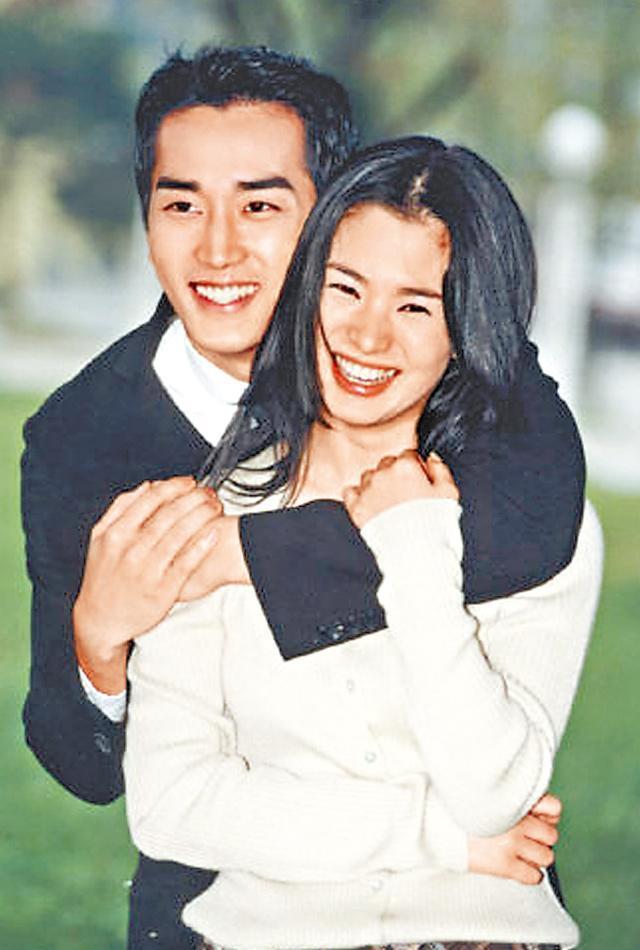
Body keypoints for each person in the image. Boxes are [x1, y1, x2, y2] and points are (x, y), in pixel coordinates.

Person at [21, 45, 584, 950]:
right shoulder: (86, 436)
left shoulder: (455, 363)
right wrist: (98, 638)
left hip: (472, 898)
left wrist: (233, 554)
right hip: (226, 901)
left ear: (330, 212)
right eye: (181, 204)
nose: (217, 248)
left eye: (260, 205)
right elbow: (88, 767)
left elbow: (536, 528)